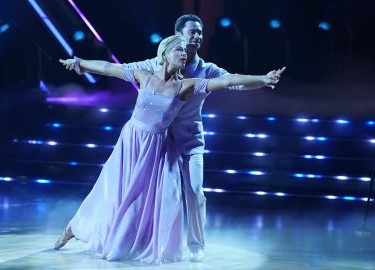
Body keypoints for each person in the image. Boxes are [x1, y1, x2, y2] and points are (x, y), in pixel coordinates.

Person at [54, 34, 284, 264]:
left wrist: (263, 79)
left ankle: (127, 239)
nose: (184, 54)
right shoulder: (143, 75)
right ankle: (74, 228)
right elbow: (107, 67)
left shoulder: (186, 86)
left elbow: (228, 80)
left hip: (156, 148)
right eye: (179, 50)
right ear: (164, 54)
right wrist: (79, 63)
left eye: (185, 51)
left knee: (146, 199)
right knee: (112, 191)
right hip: (131, 142)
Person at [121, 14, 286, 262]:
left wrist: (262, 79)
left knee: (195, 191)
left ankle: (196, 245)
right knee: (161, 195)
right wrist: (81, 64)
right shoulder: (156, 64)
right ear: (178, 34)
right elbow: (122, 69)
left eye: (200, 32)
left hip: (189, 141)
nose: (197, 36)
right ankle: (149, 241)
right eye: (192, 32)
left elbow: (233, 81)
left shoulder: (206, 70)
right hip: (160, 144)